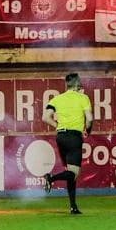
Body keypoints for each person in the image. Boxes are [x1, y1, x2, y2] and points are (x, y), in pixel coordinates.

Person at [42, 72, 93, 215]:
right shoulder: (83, 98)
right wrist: (88, 130)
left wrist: (57, 125)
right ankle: (51, 178)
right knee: (73, 173)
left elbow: (45, 117)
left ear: (66, 84)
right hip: (74, 137)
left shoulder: (57, 99)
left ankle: (73, 207)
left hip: (61, 136)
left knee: (70, 172)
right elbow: (89, 118)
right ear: (77, 84)